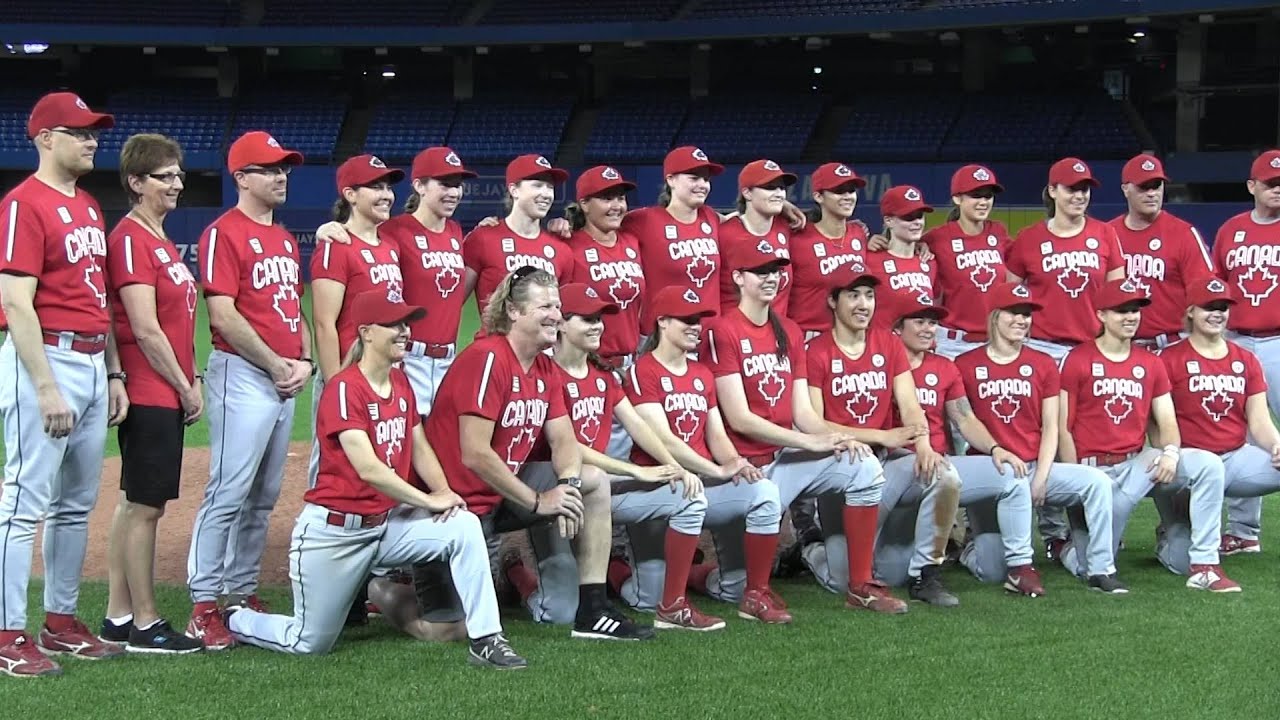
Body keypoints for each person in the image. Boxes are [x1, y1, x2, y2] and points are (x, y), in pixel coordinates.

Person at [226, 291, 526, 668]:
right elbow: (368, 469)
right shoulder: (344, 388)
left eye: (405, 324)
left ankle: (487, 639)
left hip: (385, 529)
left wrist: (444, 491)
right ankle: (234, 618)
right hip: (335, 535)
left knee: (463, 526)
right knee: (309, 641)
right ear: (366, 332)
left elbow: (420, 447)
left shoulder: (401, 383)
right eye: (395, 325)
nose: (404, 331)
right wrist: (427, 500)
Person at [416, 267, 655, 640]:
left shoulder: (545, 366)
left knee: (593, 481)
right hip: (455, 508)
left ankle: (593, 610)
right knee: (450, 629)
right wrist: (538, 500)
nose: (556, 315)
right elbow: (475, 454)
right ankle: (382, 589)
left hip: (500, 497)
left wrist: (568, 486)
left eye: (558, 306)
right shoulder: (487, 358)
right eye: (545, 305)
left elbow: (564, 441)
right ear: (513, 311)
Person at [504, 284, 723, 631]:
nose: (598, 326)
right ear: (561, 324)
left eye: (600, 319)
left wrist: (673, 465)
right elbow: (569, 445)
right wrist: (636, 470)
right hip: (557, 493)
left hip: (597, 489)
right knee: (559, 612)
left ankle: (646, 586)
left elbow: (637, 425)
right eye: (587, 319)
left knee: (688, 497)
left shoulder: (605, 375)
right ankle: (518, 576)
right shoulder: (544, 372)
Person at [698, 239, 895, 619]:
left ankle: (860, 584)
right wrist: (808, 441)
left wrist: (835, 438)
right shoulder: (721, 329)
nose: (771, 278)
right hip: (741, 467)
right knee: (728, 587)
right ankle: (719, 583)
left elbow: (802, 409)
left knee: (864, 466)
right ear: (738, 277)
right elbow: (738, 417)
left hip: (783, 459)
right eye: (760, 272)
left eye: (775, 271)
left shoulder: (788, 327)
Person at [0, 91, 127, 678]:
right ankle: (7, 632)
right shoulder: (24, 204)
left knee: (76, 505)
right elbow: (15, 302)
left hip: (91, 363)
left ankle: (61, 620)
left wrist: (111, 373)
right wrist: (46, 387)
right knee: (22, 505)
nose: (91, 139)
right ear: (45, 138)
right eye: (78, 131)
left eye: (93, 131)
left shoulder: (88, 206)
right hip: (44, 360)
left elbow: (95, 298)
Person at [187, 131, 311, 650]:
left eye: (283, 168)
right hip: (241, 373)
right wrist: (276, 363)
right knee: (229, 490)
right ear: (241, 177)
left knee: (262, 496)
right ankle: (203, 602)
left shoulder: (284, 238)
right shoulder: (223, 233)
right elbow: (222, 313)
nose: (281, 176)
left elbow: (293, 308)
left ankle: (240, 590)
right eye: (268, 168)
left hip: (281, 377)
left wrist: (303, 360)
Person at [618, 286, 781, 627]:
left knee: (765, 492)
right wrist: (717, 470)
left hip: (699, 485)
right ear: (662, 322)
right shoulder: (641, 371)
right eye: (687, 320)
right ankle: (615, 570)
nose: (696, 326)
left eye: (699, 320)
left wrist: (737, 463)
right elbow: (663, 441)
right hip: (660, 489)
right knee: (646, 597)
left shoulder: (701, 373)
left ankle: (756, 593)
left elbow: (716, 434)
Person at [1055, 279, 1228, 592]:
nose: (1131, 317)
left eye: (1135, 310)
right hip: (1092, 469)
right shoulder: (1077, 359)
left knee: (1208, 464)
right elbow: (1062, 427)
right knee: (1085, 566)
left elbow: (1166, 421)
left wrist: (1172, 452)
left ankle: (1206, 563)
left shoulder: (1150, 362)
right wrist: (1076, 476)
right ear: (1102, 315)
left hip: (1135, 463)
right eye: (1122, 310)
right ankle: (1071, 548)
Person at [100, 133, 203, 654]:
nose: (177, 184)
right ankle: (146, 622)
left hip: (161, 387)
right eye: (165, 176)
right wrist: (186, 387)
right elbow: (142, 328)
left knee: (133, 503)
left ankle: (118, 615)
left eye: (179, 174)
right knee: (146, 508)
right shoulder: (131, 239)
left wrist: (191, 377)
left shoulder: (156, 237)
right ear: (136, 182)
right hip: (150, 390)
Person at [801, 266, 956, 609]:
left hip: (884, 462)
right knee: (839, 581)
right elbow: (816, 422)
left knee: (946, 476)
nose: (863, 304)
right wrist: (882, 435)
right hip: (841, 468)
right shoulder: (817, 351)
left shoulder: (887, 342)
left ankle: (926, 573)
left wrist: (924, 443)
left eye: (869, 296)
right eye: (853, 295)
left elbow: (910, 405)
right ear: (832, 301)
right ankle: (812, 547)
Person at [954, 283, 1116, 596]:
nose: (1022, 320)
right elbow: (964, 423)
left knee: (1096, 481)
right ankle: (969, 548)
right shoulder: (965, 364)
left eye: (1027, 314)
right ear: (996, 316)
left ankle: (1101, 568)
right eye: (1014, 312)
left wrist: (1041, 477)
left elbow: (1051, 427)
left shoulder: (1042, 363)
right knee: (991, 571)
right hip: (993, 471)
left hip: (1034, 467)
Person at [1156, 276, 1273, 589]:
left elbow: (1259, 421)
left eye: (1222, 307)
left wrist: (1276, 445)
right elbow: (1156, 426)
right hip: (1186, 461)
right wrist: (1171, 459)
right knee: (1181, 558)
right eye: (1209, 307)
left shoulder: (1246, 359)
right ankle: (1192, 555)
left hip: (1234, 458)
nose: (1217, 313)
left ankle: (1203, 556)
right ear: (1191, 311)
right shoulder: (1169, 359)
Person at [308, 154, 406, 487]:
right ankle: (320, 526)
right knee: (332, 460)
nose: (386, 195)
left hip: (383, 371)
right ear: (350, 195)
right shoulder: (337, 247)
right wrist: (336, 383)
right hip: (348, 373)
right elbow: (324, 322)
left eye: (388, 187)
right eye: (375, 187)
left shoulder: (389, 246)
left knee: (382, 455)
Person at [1211, 149, 1280, 555]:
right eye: (1270, 183)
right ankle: (1243, 531)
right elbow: (1215, 288)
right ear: (1252, 186)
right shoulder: (1231, 230)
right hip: (1236, 341)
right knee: (1243, 435)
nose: (1277, 189)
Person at [1005, 158, 1127, 364]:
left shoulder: (1105, 233)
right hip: (1041, 347)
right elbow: (1009, 297)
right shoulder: (1028, 238)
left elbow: (1118, 295)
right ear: (1052, 191)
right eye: (1071, 189)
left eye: (1084, 189)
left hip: (1094, 345)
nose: (1079, 196)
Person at [1108, 154, 1214, 350]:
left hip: (1172, 345)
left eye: (1156, 186)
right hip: (1120, 347)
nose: (1151, 193)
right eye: (1143, 187)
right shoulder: (1107, 234)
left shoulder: (1184, 234)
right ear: (1125, 189)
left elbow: (1206, 293)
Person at [621, 146, 726, 338]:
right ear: (671, 180)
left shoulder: (710, 217)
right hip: (660, 339)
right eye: (694, 178)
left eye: (706, 179)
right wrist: (562, 225)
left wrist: (781, 207)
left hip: (708, 337)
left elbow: (744, 221)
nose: (702, 184)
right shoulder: (644, 220)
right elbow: (598, 221)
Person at [462, 154, 573, 315]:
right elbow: (452, 302)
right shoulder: (483, 239)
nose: (546, 194)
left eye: (550, 187)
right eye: (538, 185)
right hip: (495, 339)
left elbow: (563, 315)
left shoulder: (562, 250)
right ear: (514, 190)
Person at [922, 165, 1011, 360]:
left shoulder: (998, 232)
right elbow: (901, 248)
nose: (983, 202)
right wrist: (879, 241)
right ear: (957, 198)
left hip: (995, 342)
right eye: (975, 195)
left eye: (988, 196)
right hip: (953, 344)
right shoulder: (938, 238)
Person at [564, 166, 645, 368]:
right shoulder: (568, 247)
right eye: (607, 199)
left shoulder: (632, 241)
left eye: (620, 198)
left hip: (632, 363)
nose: (616, 206)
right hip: (589, 364)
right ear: (584, 204)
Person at [787, 162, 870, 340]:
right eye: (839, 190)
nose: (848, 196)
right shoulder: (796, 238)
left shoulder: (859, 234)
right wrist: (785, 206)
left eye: (851, 190)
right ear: (818, 196)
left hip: (849, 339)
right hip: (807, 337)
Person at [718, 159, 796, 317]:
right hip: (735, 334)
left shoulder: (787, 227)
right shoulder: (723, 232)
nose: (779, 194)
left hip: (777, 334)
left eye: (781, 188)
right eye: (770, 187)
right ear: (747, 193)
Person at [867, 185, 937, 331]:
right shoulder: (869, 260)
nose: (917, 222)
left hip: (922, 348)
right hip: (883, 348)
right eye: (909, 217)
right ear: (888, 221)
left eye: (919, 216)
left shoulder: (929, 261)